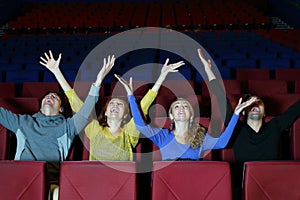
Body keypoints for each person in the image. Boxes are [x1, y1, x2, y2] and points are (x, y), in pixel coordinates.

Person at [115, 48, 257, 160]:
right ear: (171, 115)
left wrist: (236, 114)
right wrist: (131, 96)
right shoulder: (163, 136)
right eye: (176, 106)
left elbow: (222, 143)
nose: (181, 108)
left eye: (185, 106)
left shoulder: (200, 137)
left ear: (191, 115)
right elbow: (140, 125)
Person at [42, 50, 185, 161]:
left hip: (122, 183)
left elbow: (144, 105)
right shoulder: (94, 130)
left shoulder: (130, 133)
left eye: (120, 105)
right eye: (112, 103)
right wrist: (57, 71)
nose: (115, 105)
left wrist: (162, 76)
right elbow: (76, 103)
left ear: (125, 116)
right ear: (105, 113)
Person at [0, 51, 102, 199]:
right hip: (20, 179)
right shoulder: (22, 122)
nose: (50, 97)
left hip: (50, 183)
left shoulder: (68, 126)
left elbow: (86, 111)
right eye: (47, 96)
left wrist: (97, 83)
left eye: (54, 97)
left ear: (61, 108)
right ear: (40, 104)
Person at [223, 93, 300, 200]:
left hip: (273, 187)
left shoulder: (274, 126)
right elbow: (225, 111)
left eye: (259, 102)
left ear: (265, 113)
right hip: (245, 189)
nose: (255, 105)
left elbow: (294, 111)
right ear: (244, 111)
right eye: (250, 103)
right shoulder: (237, 129)